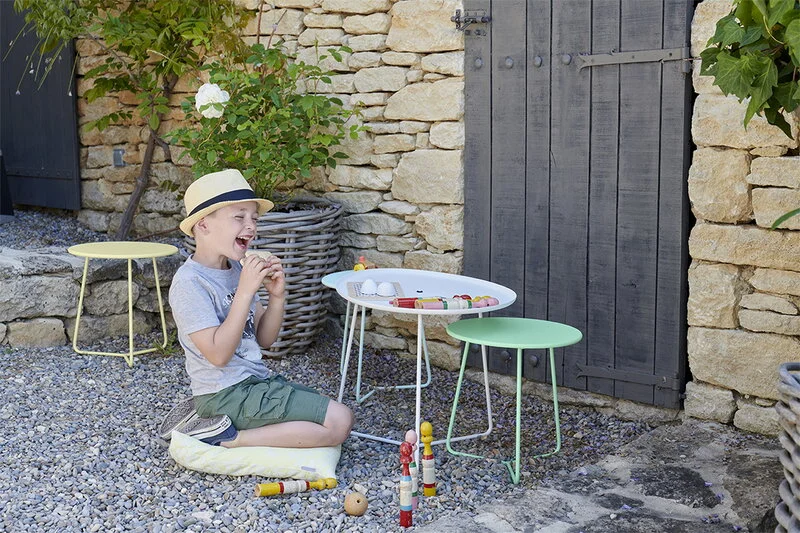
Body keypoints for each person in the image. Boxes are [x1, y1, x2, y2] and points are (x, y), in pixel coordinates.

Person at [159, 169, 353, 448]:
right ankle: (227, 439)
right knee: (340, 421)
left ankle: (219, 426)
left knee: (327, 414)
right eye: (239, 217)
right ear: (203, 225)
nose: (251, 226)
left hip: (255, 383)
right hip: (225, 393)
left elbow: (264, 339)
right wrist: (246, 290)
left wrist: (277, 296)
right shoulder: (190, 284)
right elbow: (218, 356)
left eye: (254, 218)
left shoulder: (236, 269)